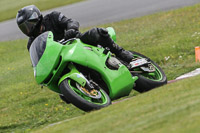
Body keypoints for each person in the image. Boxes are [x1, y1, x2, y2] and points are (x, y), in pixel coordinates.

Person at [16, 5, 133, 63]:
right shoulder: (31, 44)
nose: (27, 29)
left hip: (75, 42)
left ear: (36, 18)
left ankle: (119, 51)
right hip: (62, 59)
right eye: (23, 28)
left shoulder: (53, 17)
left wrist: (71, 29)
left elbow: (71, 22)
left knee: (97, 33)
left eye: (28, 25)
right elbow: (41, 61)